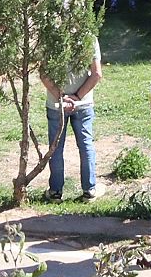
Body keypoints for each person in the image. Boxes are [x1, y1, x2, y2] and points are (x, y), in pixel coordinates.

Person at [41, 36, 104, 201]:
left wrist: (61, 97)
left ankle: (55, 191)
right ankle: (89, 190)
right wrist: (77, 96)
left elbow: (44, 74)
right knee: (86, 145)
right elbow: (96, 73)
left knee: (55, 147)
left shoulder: (51, 37)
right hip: (83, 103)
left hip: (56, 103)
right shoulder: (89, 38)